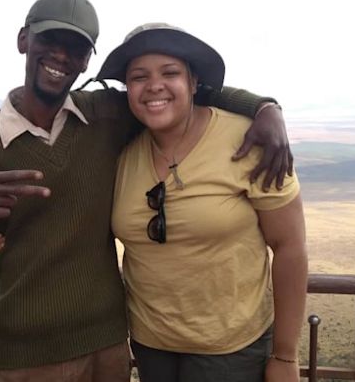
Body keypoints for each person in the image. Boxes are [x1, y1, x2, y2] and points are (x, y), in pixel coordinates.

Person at [0, 0, 294, 382]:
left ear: (87, 58)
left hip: (110, 349)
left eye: (76, 47)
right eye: (50, 40)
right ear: (24, 40)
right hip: (27, 360)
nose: (61, 55)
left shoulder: (104, 116)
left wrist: (263, 107)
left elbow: (177, 92)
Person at [100, 23, 308, 382]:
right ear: (127, 89)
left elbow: (289, 247)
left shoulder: (250, 140)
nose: (154, 86)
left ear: (194, 82)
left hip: (232, 352)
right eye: (139, 76)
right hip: (151, 346)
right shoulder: (121, 150)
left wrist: (285, 356)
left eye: (170, 72)